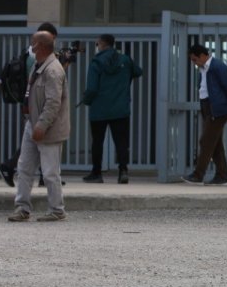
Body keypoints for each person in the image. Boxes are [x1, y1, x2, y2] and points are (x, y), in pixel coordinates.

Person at [8, 31, 69, 222]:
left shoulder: (53, 70)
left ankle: (57, 210)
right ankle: (22, 207)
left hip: (48, 128)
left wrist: (41, 126)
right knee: (24, 167)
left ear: (40, 46)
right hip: (32, 123)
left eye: (32, 43)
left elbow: (53, 103)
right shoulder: (38, 65)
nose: (30, 47)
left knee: (50, 171)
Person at [0, 22, 61, 188]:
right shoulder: (36, 57)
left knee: (34, 142)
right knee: (36, 141)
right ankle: (10, 166)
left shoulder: (30, 54)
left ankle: (22, 172)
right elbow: (46, 86)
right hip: (36, 107)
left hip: (32, 105)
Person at [81, 34, 143, 184]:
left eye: (97, 44)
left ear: (101, 44)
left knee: (97, 142)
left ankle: (97, 173)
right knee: (121, 142)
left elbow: (91, 87)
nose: (97, 46)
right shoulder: (125, 60)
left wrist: (86, 100)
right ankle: (123, 171)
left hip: (99, 109)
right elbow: (138, 71)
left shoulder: (96, 62)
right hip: (120, 108)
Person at [183, 43, 227, 186]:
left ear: (202, 55)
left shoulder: (217, 66)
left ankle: (198, 175)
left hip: (218, 109)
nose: (195, 63)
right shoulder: (203, 69)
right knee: (215, 143)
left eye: (195, 60)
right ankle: (222, 176)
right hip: (208, 108)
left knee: (205, 141)